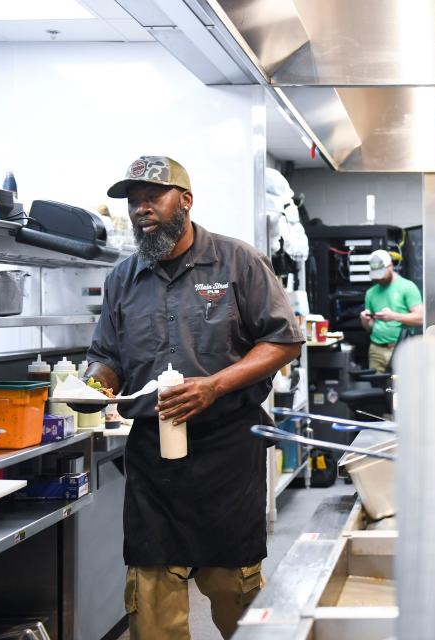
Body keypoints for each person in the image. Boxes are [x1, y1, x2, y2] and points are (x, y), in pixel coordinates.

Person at [82, 156, 303, 640]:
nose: (141, 209)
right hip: (152, 463)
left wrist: (214, 386)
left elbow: (283, 340)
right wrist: (96, 382)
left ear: (184, 200)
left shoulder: (237, 261)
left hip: (225, 454)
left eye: (151, 197)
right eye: (134, 201)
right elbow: (106, 355)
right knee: (151, 604)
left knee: (234, 594)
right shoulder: (123, 278)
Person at [358, 249, 423, 373]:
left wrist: (393, 316)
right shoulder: (371, 293)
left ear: (391, 266)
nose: (380, 278)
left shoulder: (407, 287)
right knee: (377, 388)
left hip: (401, 349)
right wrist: (365, 321)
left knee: (401, 388)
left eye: (382, 273)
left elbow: (421, 318)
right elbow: (370, 328)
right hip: (376, 350)